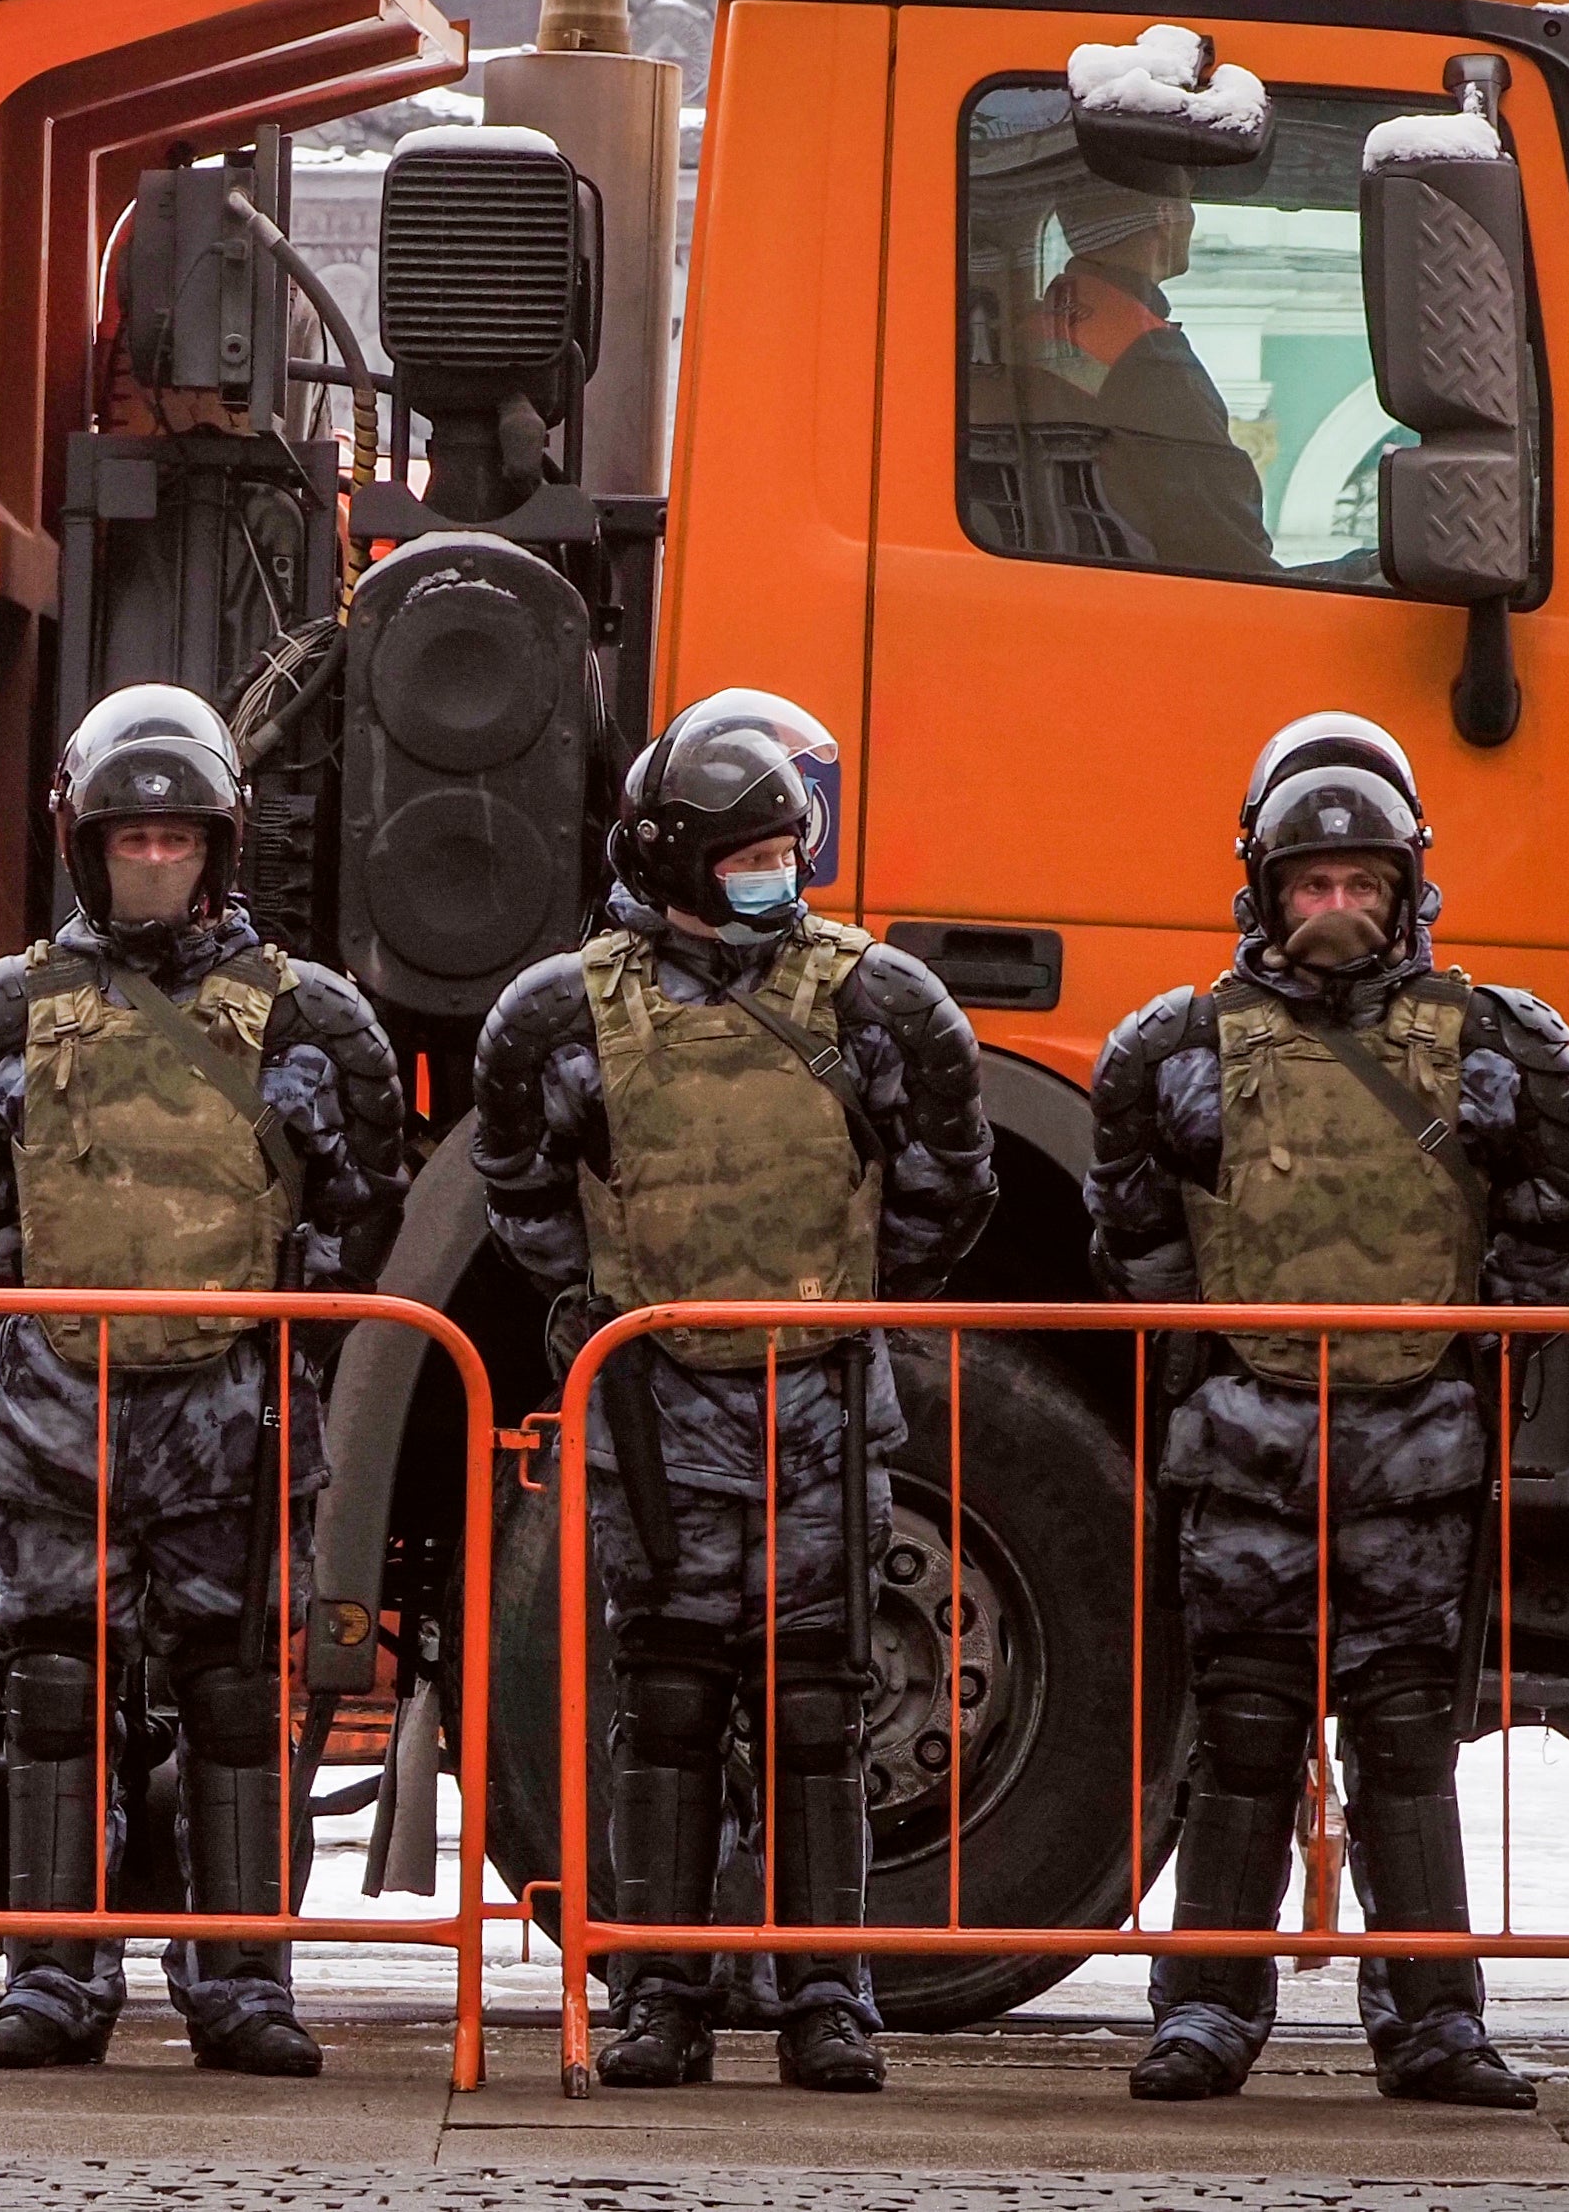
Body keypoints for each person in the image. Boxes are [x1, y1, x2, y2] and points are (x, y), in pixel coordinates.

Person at [474, 686, 995, 2094]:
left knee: (820, 1704)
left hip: (817, 1414)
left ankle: (830, 1996)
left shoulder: (875, 1000)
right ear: (668, 859)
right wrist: (608, 1312)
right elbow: (520, 1191)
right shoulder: (564, 1013)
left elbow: (951, 1188)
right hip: (655, 1423)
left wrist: (835, 1310)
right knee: (670, 1702)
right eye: (747, 853)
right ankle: (663, 1994)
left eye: (787, 846)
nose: (779, 871)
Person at [1097, 724, 1569, 2108]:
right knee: (1243, 1731)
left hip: (1414, 1454)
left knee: (1404, 1743)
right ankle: (1203, 2014)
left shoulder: (1497, 1050)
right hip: (1245, 1450)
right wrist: (1222, 1383)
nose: (1332, 911)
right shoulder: (1178, 1051)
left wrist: (1444, 1379)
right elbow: (1133, 1239)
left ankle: (1432, 2024)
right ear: (1262, 888)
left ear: (1403, 888)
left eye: (1356, 886)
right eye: (1308, 884)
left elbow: (1552, 1246)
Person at [0, 686, 406, 2078]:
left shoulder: (316, 1019)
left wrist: (260, 1363)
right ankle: (53, 1982)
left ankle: (242, 1988)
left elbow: (354, 1216)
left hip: (236, 1421)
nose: (150, 864)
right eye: (125, 841)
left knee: (234, 1700)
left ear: (219, 847)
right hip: (55, 1414)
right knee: (54, 1695)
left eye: (173, 842)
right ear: (80, 843)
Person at [1037, 198, 1272, 576]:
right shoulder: (1145, 355)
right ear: (1167, 215)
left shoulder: (1051, 318)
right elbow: (1217, 537)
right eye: (1187, 199)